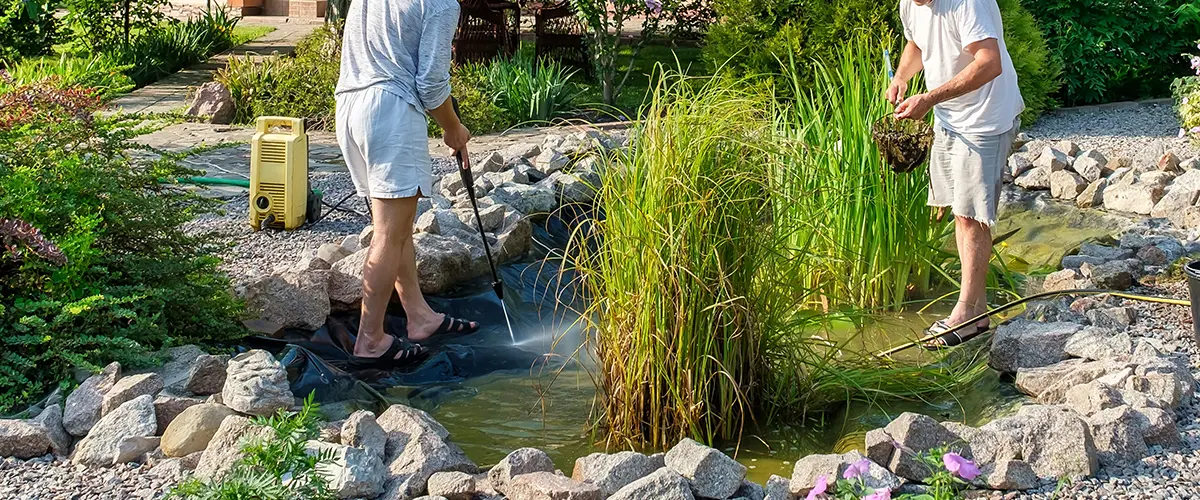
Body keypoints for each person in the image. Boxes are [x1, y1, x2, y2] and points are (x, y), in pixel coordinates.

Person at [335, 0, 479, 367]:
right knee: (388, 233)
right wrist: (453, 128)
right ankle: (370, 339)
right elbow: (431, 84)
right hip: (390, 110)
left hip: (349, 108)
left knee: (395, 230)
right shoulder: (442, 4)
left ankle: (419, 316)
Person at [887, 0, 1023, 347]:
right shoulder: (911, 3)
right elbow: (918, 42)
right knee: (959, 213)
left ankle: (964, 315)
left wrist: (929, 98)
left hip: (985, 118)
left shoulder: (968, 2)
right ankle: (977, 313)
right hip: (949, 117)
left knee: (971, 215)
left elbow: (989, 63)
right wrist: (902, 77)